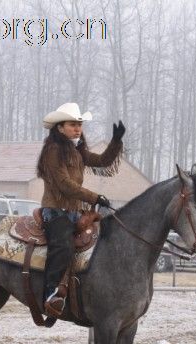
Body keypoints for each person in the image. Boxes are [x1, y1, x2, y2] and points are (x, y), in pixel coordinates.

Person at [37, 102, 125, 316]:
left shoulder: (76, 149)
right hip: (55, 211)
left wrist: (116, 141)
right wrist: (95, 197)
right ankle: (51, 294)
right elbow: (64, 184)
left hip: (74, 212)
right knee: (64, 246)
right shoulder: (53, 150)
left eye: (79, 124)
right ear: (59, 128)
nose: (77, 128)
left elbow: (102, 161)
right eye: (72, 124)